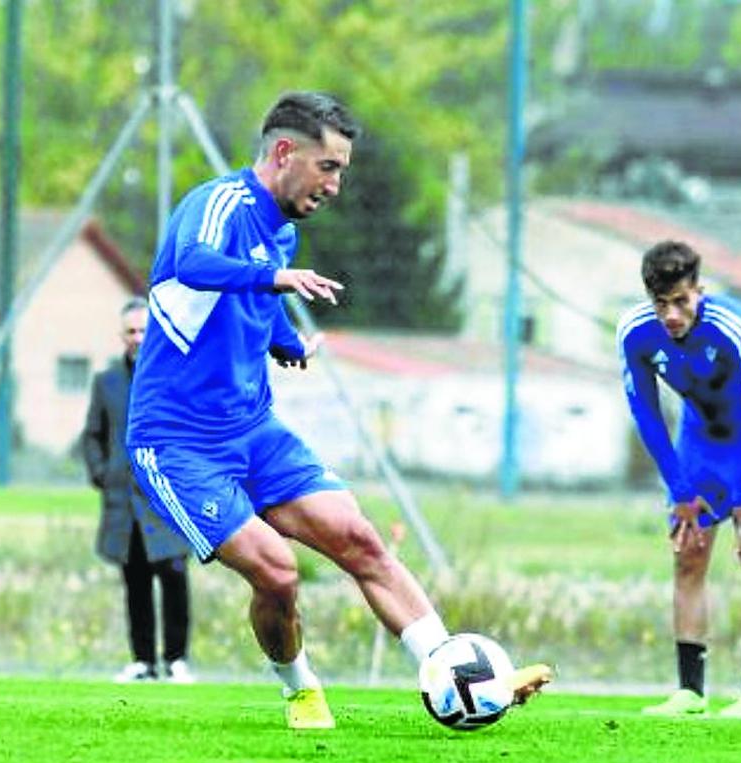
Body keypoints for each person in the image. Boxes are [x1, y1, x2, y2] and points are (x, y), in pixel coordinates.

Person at [125, 90, 550, 729]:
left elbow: (251, 307)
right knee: (277, 573)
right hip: (176, 441)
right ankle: (300, 688)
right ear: (285, 152)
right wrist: (278, 280)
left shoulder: (282, 233)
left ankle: (453, 672)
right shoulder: (221, 204)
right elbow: (193, 265)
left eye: (343, 171)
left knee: (360, 539)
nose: (336, 185)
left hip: (253, 428)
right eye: (330, 167)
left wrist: (287, 343)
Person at [617, 240, 741, 719]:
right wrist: (679, 490)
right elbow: (647, 413)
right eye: (661, 304)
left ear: (699, 291)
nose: (671, 315)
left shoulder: (734, 328)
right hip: (700, 439)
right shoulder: (635, 333)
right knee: (688, 553)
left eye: (681, 301)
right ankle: (690, 692)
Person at [83, 297, 195, 684]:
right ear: (121, 336)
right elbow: (93, 435)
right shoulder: (106, 382)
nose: (138, 338)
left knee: (174, 574)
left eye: (144, 330)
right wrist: (102, 473)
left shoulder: (177, 377)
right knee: (135, 582)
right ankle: (144, 662)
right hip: (123, 503)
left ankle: (177, 660)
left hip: (166, 499)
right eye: (131, 331)